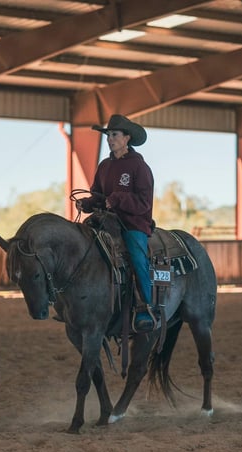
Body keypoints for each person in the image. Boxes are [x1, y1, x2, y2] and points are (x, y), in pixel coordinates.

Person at [77, 114, 156, 331]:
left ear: (126, 138)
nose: (110, 139)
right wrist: (87, 204)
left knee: (137, 257)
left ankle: (144, 307)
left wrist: (119, 199)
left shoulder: (140, 168)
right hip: (105, 221)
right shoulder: (104, 166)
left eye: (114, 135)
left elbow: (144, 203)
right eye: (108, 135)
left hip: (132, 223)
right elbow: (98, 195)